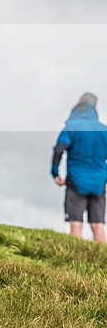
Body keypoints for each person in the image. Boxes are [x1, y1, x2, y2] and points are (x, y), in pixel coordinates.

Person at [51, 92, 107, 242]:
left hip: (76, 181)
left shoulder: (71, 126)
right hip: (99, 183)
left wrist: (55, 173)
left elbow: (59, 149)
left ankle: (75, 258)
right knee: (98, 225)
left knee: (76, 223)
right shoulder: (104, 130)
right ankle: (102, 261)